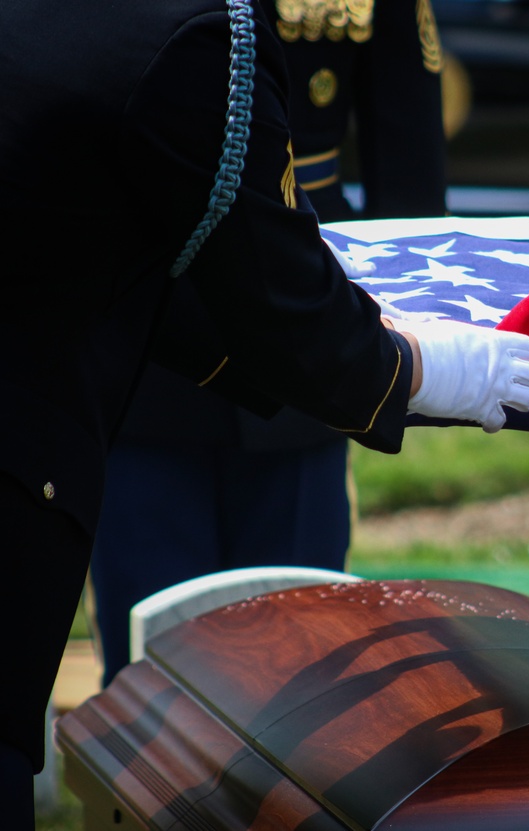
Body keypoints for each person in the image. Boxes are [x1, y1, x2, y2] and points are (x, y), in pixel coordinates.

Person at [0, 0, 529, 826]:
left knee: (301, 674)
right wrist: (407, 369)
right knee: (155, 701)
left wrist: (411, 309)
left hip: (272, 310)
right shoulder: (198, 27)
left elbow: (401, 130)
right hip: (182, 344)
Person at [87, 0, 449, 689]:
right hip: (149, 312)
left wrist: (402, 319)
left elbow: (407, 151)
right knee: (150, 667)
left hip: (307, 306)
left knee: (301, 659)